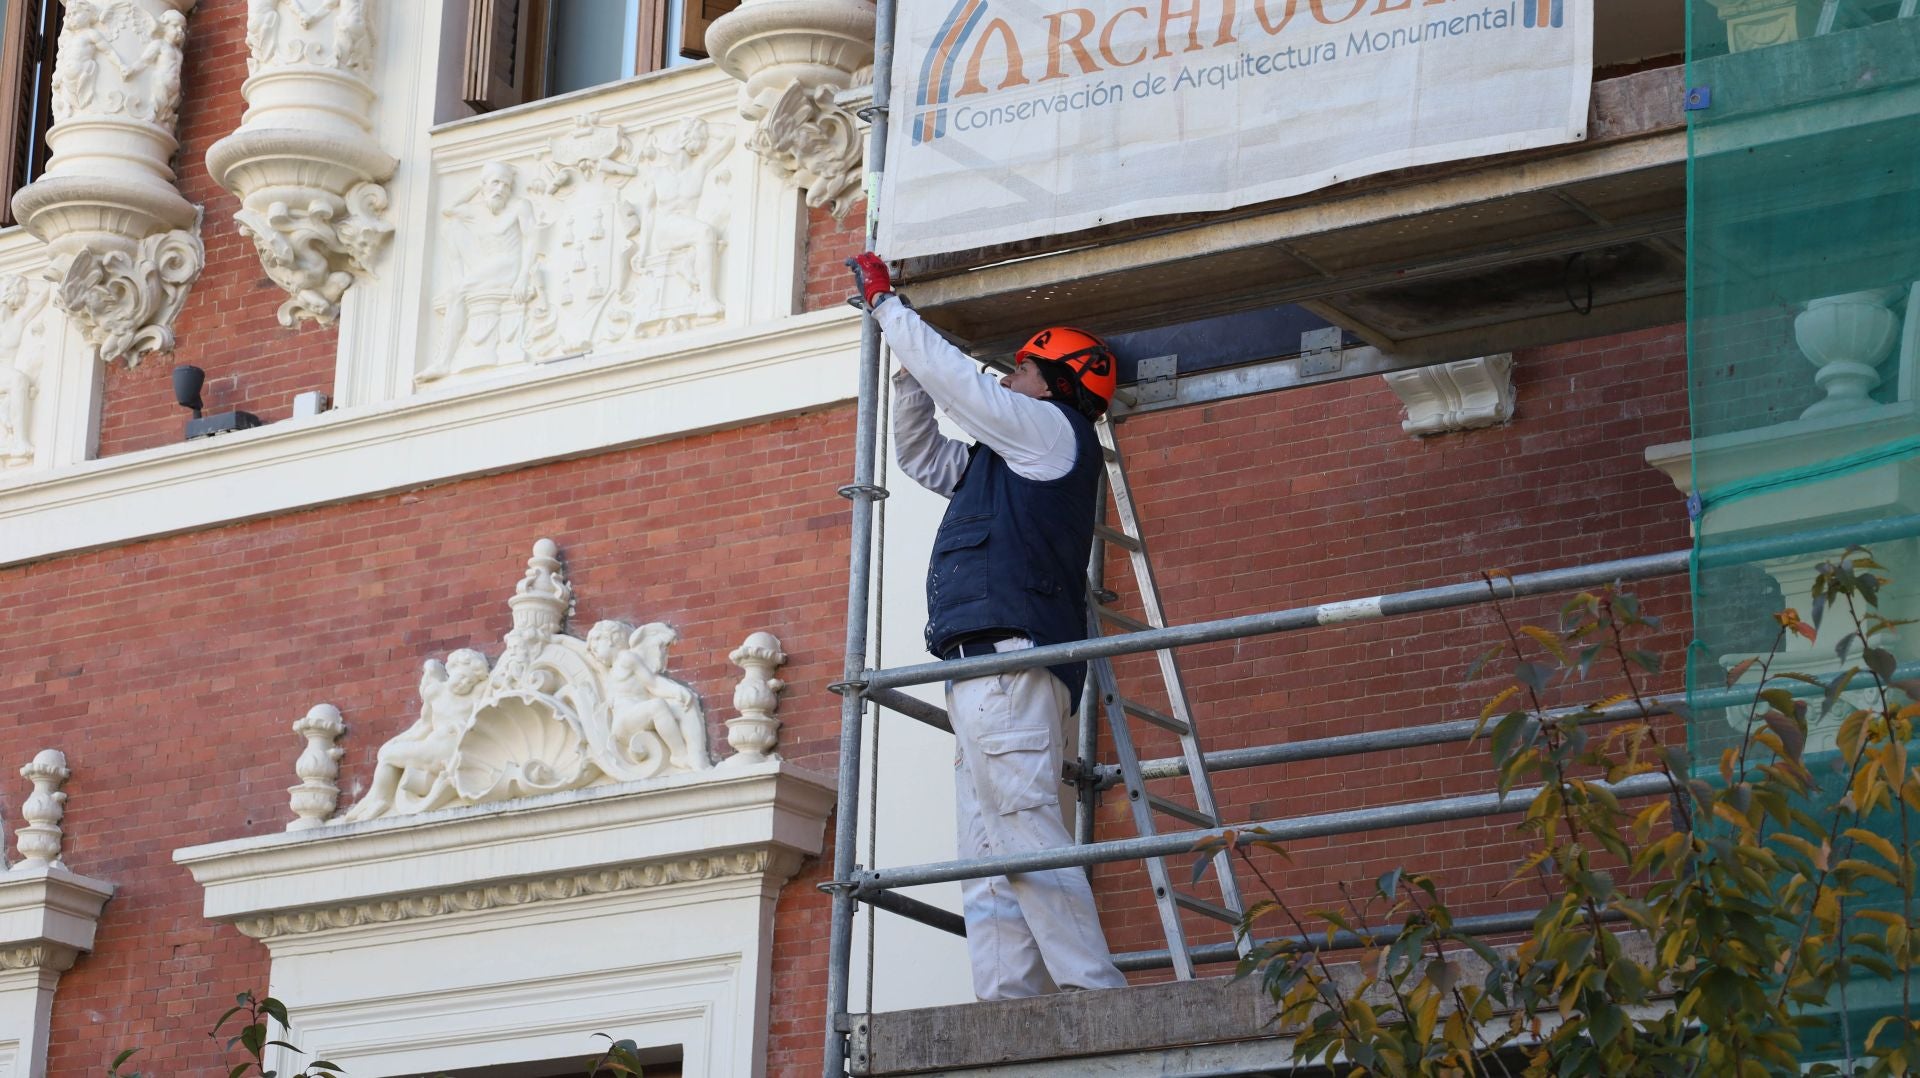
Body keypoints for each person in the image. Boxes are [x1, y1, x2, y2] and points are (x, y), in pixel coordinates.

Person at [850, 251, 1128, 1001]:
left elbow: (964, 387)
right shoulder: (1011, 460)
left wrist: (891, 312)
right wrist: (907, 373)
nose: (1009, 378)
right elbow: (920, 455)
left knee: (1023, 829)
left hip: (1009, 663)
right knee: (986, 847)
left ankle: (1096, 992)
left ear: (1057, 385)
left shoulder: (1049, 432)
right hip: (982, 667)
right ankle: (1007, 1006)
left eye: (1023, 370)